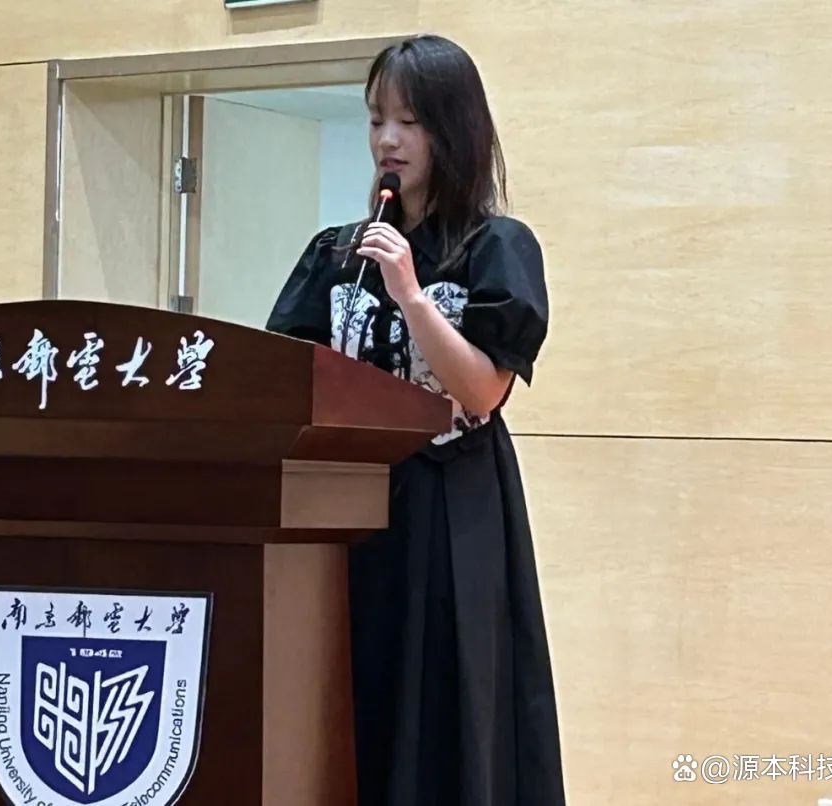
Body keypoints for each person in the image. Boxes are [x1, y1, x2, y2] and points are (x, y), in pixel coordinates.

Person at [265, 34, 566, 806]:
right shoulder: (335, 252)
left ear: (452, 129)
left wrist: (410, 294)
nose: (388, 140)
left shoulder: (495, 246)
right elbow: (283, 376)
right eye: (376, 120)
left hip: (449, 510)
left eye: (410, 121)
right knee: (345, 697)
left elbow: (482, 392)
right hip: (342, 512)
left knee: (445, 704)